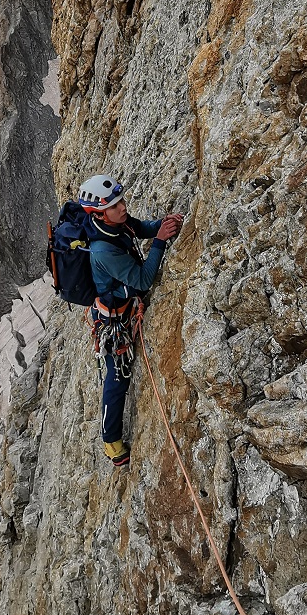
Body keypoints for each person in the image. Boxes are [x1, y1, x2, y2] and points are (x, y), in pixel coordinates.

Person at [76, 174, 183, 467]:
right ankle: (111, 441)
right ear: (99, 212)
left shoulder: (112, 222)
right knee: (117, 377)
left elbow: (138, 228)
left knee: (119, 375)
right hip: (113, 320)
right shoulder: (103, 250)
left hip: (121, 307)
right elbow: (143, 279)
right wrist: (160, 242)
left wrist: (162, 225)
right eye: (115, 205)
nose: (122, 207)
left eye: (121, 201)